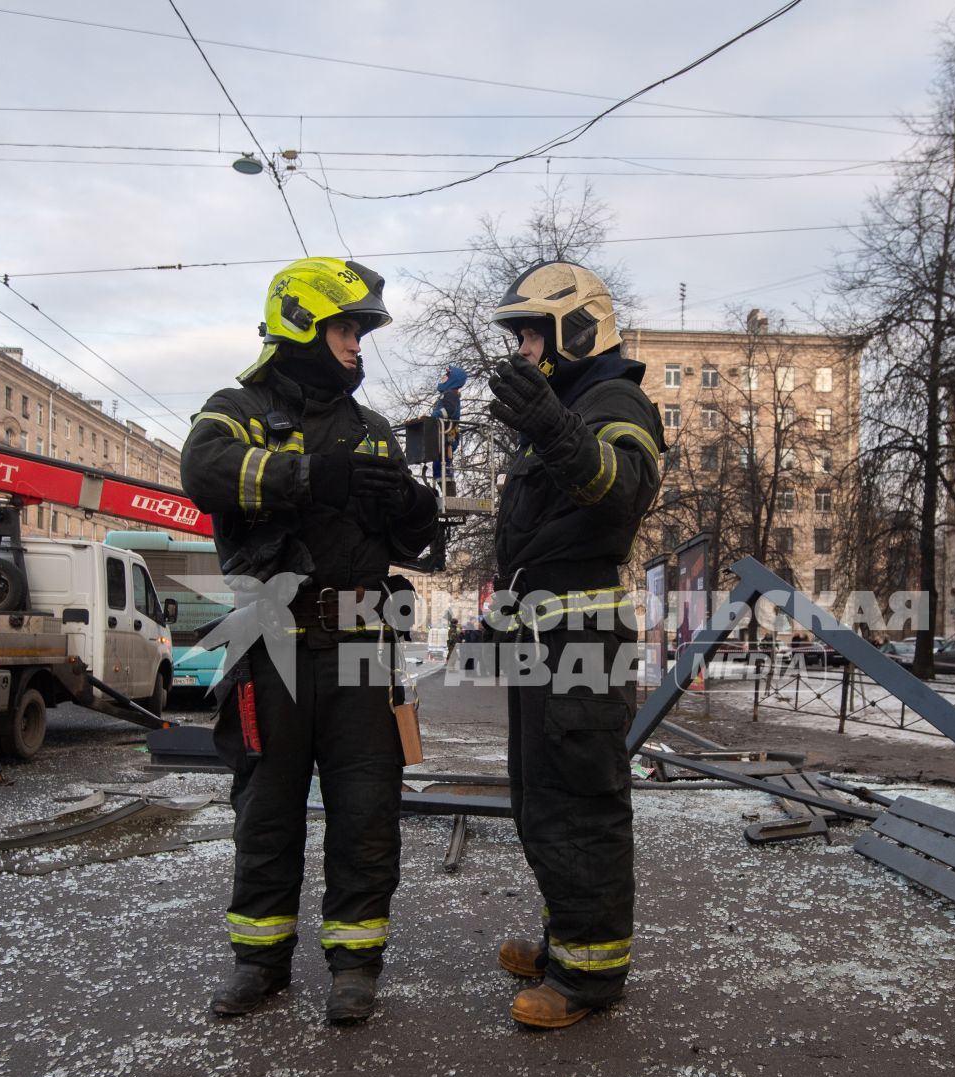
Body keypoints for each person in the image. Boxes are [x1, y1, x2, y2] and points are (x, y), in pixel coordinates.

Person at [181, 257, 439, 1026]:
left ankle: (355, 966)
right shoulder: (238, 406)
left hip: (363, 645)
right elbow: (204, 468)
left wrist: (414, 507)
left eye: (359, 329)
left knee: (366, 811)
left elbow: (413, 539)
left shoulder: (373, 430)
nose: (358, 344)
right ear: (300, 321)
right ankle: (259, 962)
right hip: (271, 646)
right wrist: (309, 476)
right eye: (346, 327)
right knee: (268, 808)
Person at [485, 260, 665, 1029]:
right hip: (547, 636)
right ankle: (568, 940)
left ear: (578, 327)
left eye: (533, 331)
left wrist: (550, 425)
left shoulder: (614, 399)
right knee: (541, 799)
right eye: (520, 333)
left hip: (581, 638)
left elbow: (621, 491)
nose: (525, 348)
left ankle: (590, 978)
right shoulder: (569, 405)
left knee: (579, 802)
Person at [430, 365, 465, 495]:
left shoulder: (450, 395)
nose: (443, 377)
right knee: (439, 461)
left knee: (444, 461)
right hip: (442, 434)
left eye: (447, 376)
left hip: (448, 434)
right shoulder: (447, 394)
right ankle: (440, 486)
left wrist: (436, 415)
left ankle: (449, 490)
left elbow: (449, 411)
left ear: (453, 379)